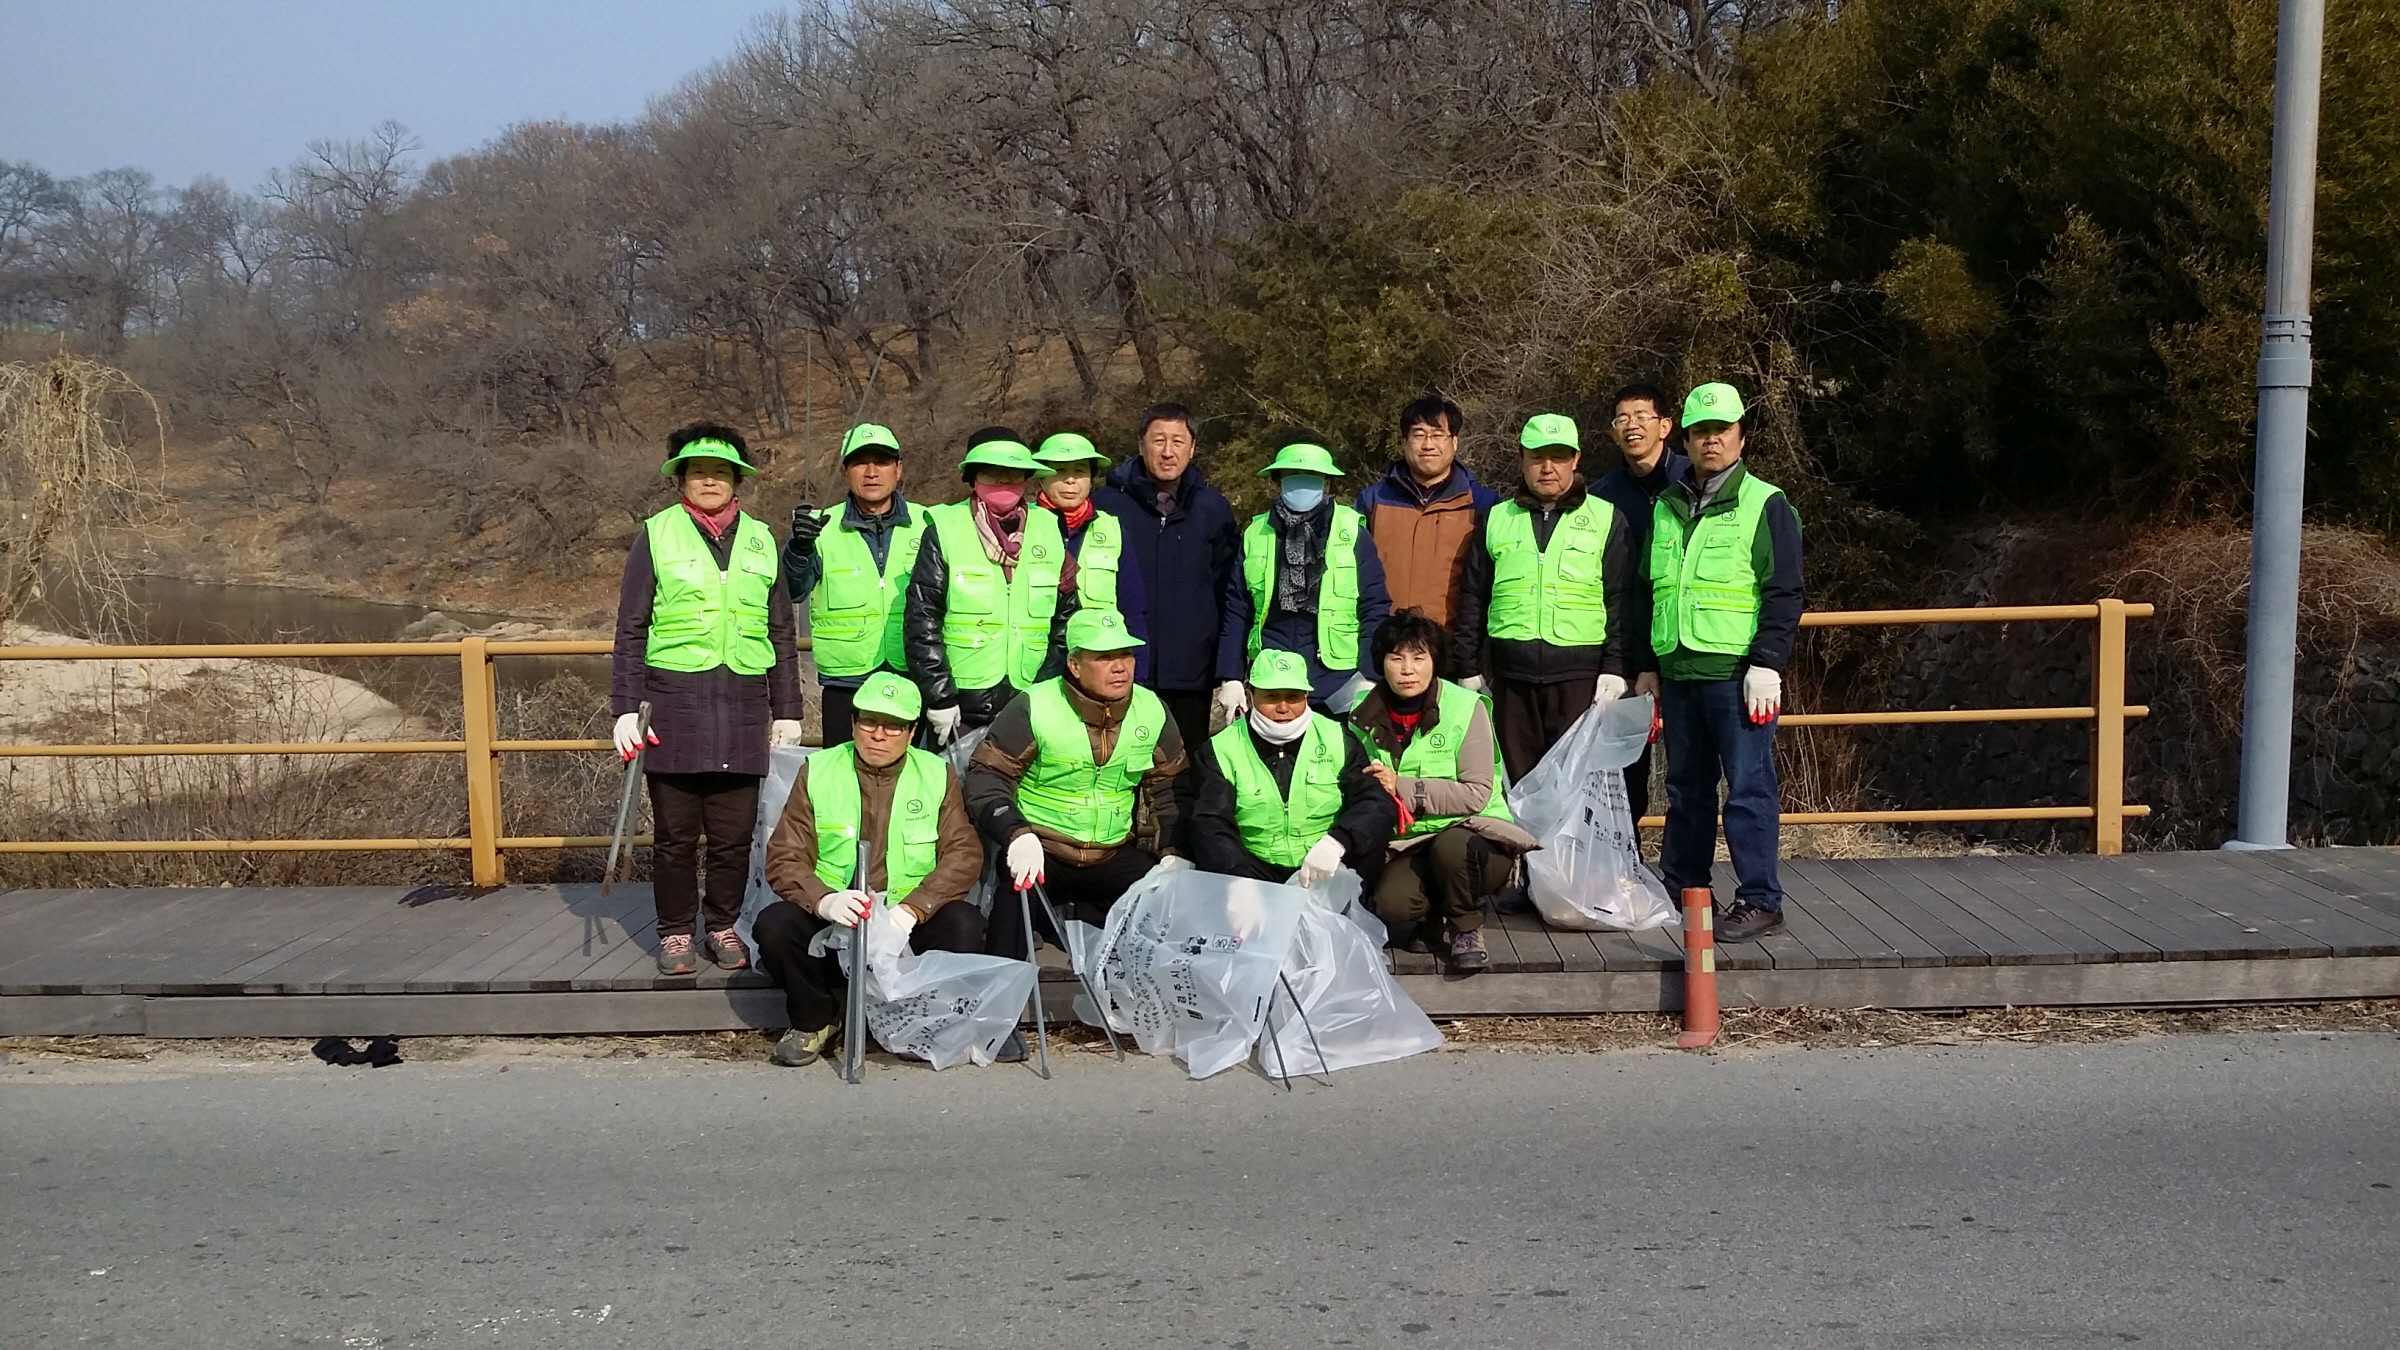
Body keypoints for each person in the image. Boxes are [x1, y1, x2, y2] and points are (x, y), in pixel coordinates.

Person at [610, 422, 805, 975]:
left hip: (744, 705)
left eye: (721, 472)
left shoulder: (763, 538)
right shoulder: (656, 534)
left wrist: (787, 710)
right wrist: (624, 706)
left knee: (733, 836)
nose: (711, 481)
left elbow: (781, 632)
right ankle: (674, 932)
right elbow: (631, 628)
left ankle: (722, 925)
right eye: (700, 472)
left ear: (738, 479)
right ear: (682, 480)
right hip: (673, 704)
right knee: (674, 836)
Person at [752, 671, 985, 1068]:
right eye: (869, 721)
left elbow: (963, 853)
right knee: (774, 925)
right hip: (839, 913)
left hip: (904, 915)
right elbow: (785, 855)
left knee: (965, 924)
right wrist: (823, 901)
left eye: (893, 725)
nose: (879, 734)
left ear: (912, 732)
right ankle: (816, 1019)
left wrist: (912, 910)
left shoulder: (936, 773)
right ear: (853, 724)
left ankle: (919, 1018)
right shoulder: (820, 769)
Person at [1649, 382, 1804, 943]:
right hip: (1680, 673)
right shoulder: (1666, 507)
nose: (1710, 440)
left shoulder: (1766, 503)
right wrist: (1650, 666)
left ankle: (1761, 899)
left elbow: (1784, 591)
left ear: (1741, 434)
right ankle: (1684, 890)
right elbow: (1657, 590)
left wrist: (1768, 662)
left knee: (1748, 788)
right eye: (1700, 431)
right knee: (1687, 790)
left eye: (1721, 430)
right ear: (1685, 438)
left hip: (1739, 677)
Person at [966, 607, 1189, 968]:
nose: (1120, 667)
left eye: (1126, 654)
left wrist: (1172, 850)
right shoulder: (1034, 706)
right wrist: (1016, 834)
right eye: (1104, 657)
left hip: (1111, 851)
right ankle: (999, 1014)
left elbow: (1171, 787)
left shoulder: (1152, 710)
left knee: (1168, 905)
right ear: (1074, 665)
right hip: (1043, 850)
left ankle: (1140, 1013)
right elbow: (986, 776)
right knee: (1010, 914)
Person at [1450, 413, 1646, 783]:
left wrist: (1616, 668)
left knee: (1573, 791)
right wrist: (1467, 668)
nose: (1547, 468)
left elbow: (1621, 599)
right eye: (1537, 457)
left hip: (1580, 682)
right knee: (1518, 789)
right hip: (1511, 682)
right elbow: (1473, 596)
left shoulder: (1606, 518)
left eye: (1558, 457)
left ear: (1575, 460)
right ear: (1522, 459)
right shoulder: (1495, 519)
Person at [1348, 610, 1534, 974]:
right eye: (1396, 658)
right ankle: (1435, 914)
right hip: (1410, 841)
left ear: (1434, 662)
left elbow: (1476, 793)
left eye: (1419, 658)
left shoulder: (1467, 708)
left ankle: (1466, 928)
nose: (1407, 669)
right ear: (1381, 663)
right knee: (1391, 906)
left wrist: (1400, 787)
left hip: (1477, 835)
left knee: (1451, 849)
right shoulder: (1361, 714)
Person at [1093, 402, 1243, 751]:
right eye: (1158, 440)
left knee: (1185, 774)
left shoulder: (1212, 508)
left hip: (1190, 671)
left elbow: (1228, 592)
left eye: (1178, 441)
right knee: (1117, 768)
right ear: (1141, 444)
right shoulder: (1107, 506)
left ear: (1192, 449)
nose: (1167, 451)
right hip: (1121, 665)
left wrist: (1227, 667)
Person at [904, 428, 1068, 742]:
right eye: (992, 473)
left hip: (1030, 695)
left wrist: (1050, 687)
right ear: (973, 478)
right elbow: (923, 618)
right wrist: (939, 695)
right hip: (962, 702)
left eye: (1013, 473)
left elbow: (1064, 621)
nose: (1004, 481)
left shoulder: (1050, 528)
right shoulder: (945, 528)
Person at [1216, 439, 1393, 717]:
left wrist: (1370, 674)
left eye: (1312, 478)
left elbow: (1374, 606)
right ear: (1278, 481)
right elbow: (1237, 607)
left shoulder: (1352, 530)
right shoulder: (1256, 532)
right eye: (1293, 477)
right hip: (1271, 678)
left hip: (1340, 680)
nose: (1302, 485)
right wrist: (1231, 676)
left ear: (1326, 482)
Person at [1192, 649, 1396, 886]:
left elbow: (1375, 803)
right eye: (1271, 696)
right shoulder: (1219, 750)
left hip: (1326, 868)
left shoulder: (1338, 739)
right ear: (1250, 695)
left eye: (1293, 696)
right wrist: (1238, 885)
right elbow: (1210, 824)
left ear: (1307, 697)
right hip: (1253, 870)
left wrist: (1338, 842)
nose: (1282, 707)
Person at [783, 423, 923, 747]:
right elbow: (794, 590)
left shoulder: (928, 523)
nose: (871, 472)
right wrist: (798, 550)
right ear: (845, 470)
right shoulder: (821, 528)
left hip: (912, 676)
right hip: (847, 685)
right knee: (844, 785)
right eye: (860, 462)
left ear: (899, 469)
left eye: (882, 461)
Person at [1594, 383, 1691, 831]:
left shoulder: (1695, 482)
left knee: (1691, 772)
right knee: (1624, 771)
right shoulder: (1601, 497)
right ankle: (1623, 870)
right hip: (1626, 652)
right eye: (1622, 419)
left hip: (1688, 649)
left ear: (1665, 426)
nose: (1632, 426)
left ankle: (1685, 876)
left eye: (1642, 416)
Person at [1352, 393, 1499, 627]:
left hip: (1450, 647)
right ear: (1404, 442)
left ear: (1454, 442)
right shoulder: (1373, 501)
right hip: (1386, 645)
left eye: (1438, 435)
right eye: (1419, 435)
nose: (1428, 445)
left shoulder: (1484, 505)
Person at [1032, 430, 1151, 682]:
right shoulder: (1021, 527)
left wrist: (1137, 679)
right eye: (1059, 471)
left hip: (1098, 670)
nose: (1070, 481)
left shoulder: (1113, 530)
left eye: (1079, 471)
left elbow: (1133, 610)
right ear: (1040, 477)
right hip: (1034, 671)